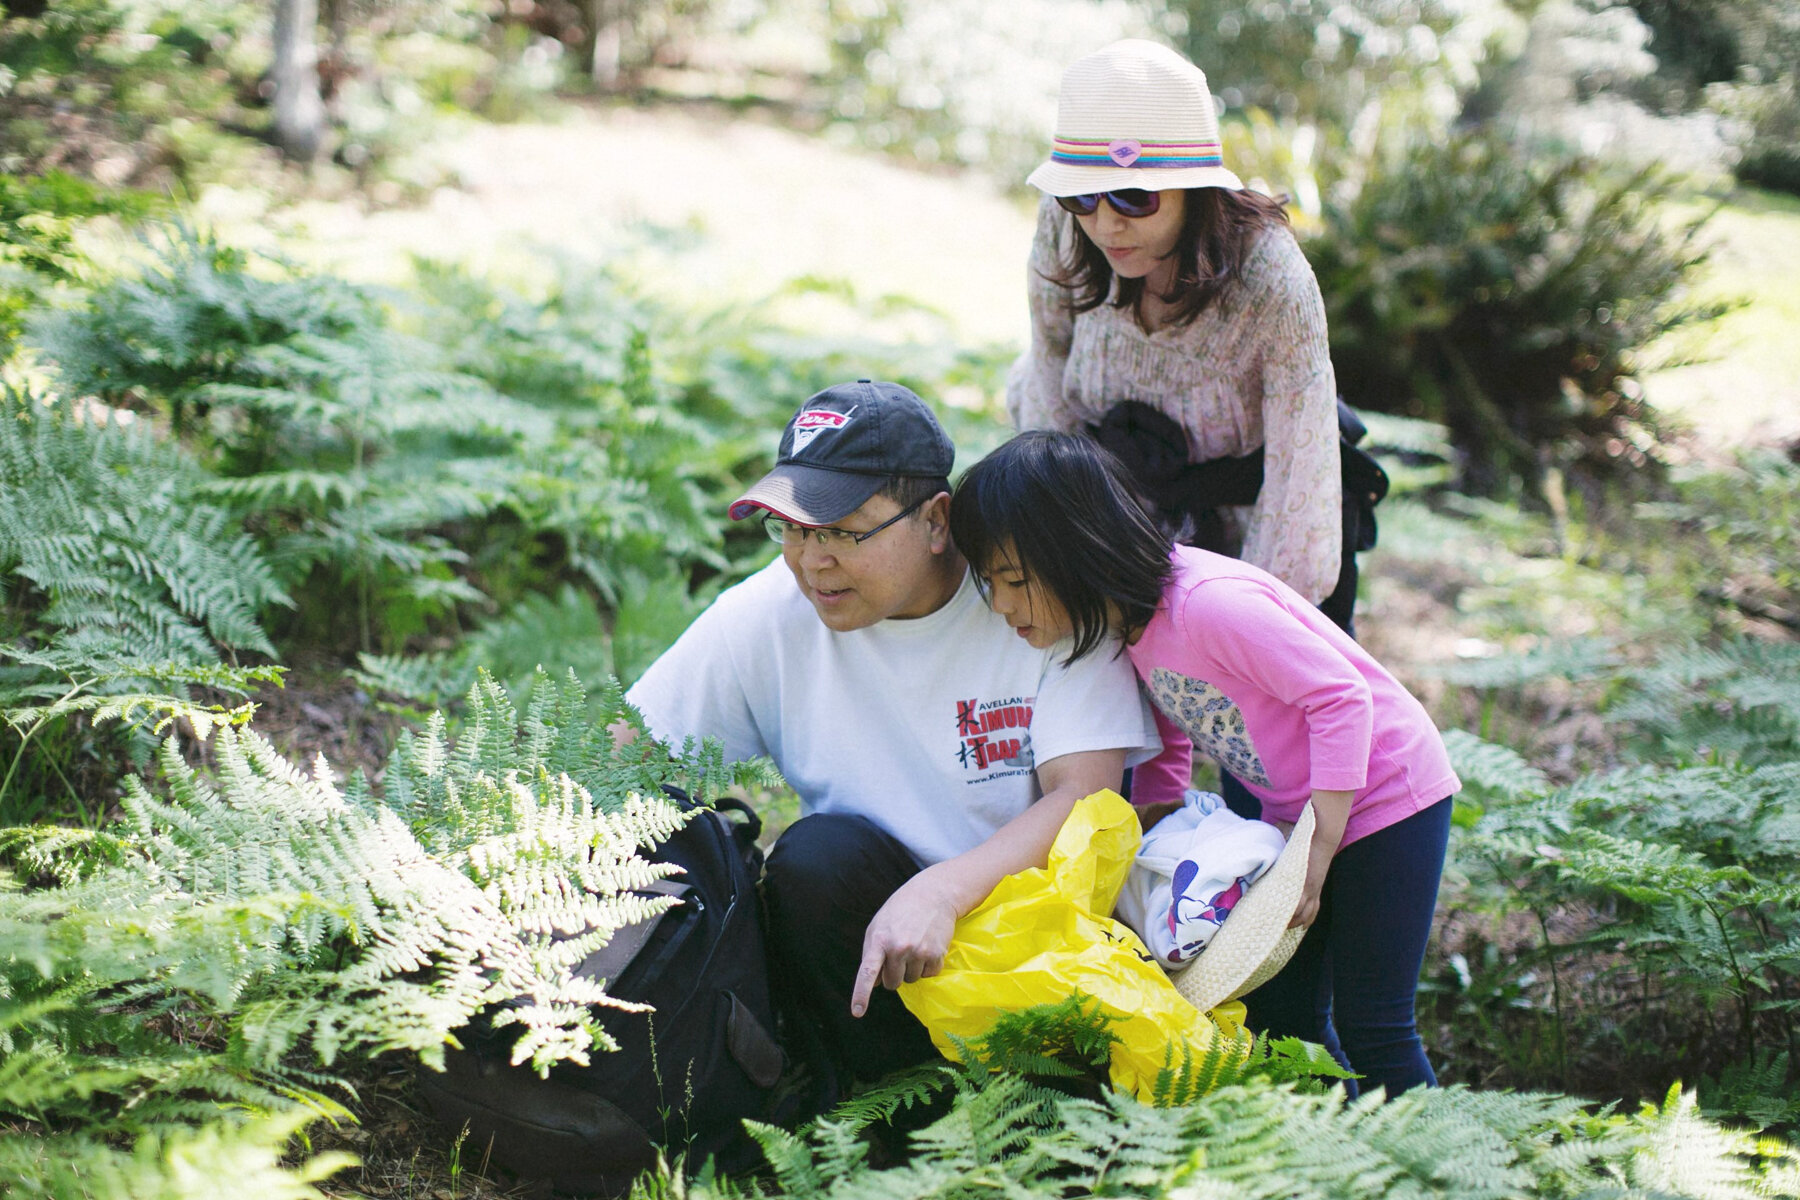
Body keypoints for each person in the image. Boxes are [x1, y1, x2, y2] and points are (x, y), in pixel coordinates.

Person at [624, 380, 1161, 1095]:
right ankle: (882, 1116)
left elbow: (1086, 799)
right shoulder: (768, 616)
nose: (813, 560)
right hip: (864, 946)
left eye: (844, 531)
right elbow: (619, 754)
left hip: (1030, 950)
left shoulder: (1031, 594)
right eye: (791, 528)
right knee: (812, 860)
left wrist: (944, 892)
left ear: (936, 521)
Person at [948, 430, 1459, 1098]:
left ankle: (1440, 1168)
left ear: (1080, 549)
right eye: (991, 583)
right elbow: (1176, 722)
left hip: (1386, 798)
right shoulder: (1128, 627)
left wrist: (1321, 845)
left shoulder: (1208, 602)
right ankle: (1346, 1158)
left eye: (1016, 581)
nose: (1003, 606)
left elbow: (1341, 698)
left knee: (1377, 1024)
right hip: (1300, 817)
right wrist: (1156, 816)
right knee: (1284, 1018)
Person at [1007, 39, 1357, 629]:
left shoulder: (1272, 276)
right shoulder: (1065, 229)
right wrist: (1063, 547)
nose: (1105, 223)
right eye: (1082, 196)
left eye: (1134, 196)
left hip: (1240, 540)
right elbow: (1046, 379)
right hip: (1107, 513)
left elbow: (1301, 488)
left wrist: (1242, 624)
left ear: (1196, 191)